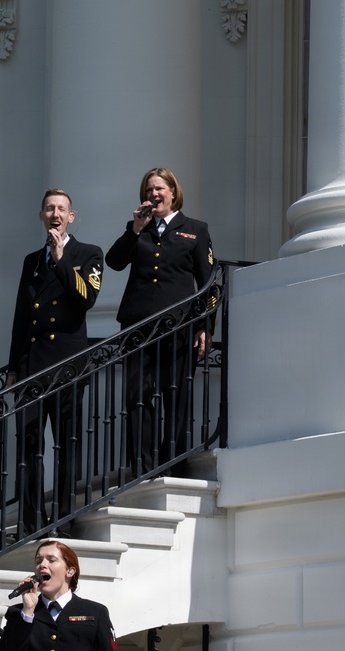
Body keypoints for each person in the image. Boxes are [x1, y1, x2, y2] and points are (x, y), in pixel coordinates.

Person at [105, 167, 216, 476]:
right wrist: (135, 229)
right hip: (138, 326)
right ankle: (143, 467)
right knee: (137, 396)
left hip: (179, 326)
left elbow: (208, 284)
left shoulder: (195, 229)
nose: (153, 194)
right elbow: (113, 262)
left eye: (159, 188)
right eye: (148, 190)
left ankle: (176, 464)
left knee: (176, 395)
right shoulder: (137, 228)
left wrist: (205, 327)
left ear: (172, 192)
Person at [7, 190, 103, 534]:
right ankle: (31, 520)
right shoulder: (31, 261)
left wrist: (62, 258)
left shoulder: (89, 254)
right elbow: (22, 316)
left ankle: (63, 517)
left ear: (71, 217)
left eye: (62, 209)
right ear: (41, 216)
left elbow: (87, 298)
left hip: (67, 366)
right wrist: (13, 367)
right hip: (33, 366)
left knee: (66, 445)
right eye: (49, 208)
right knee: (28, 448)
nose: (55, 214)